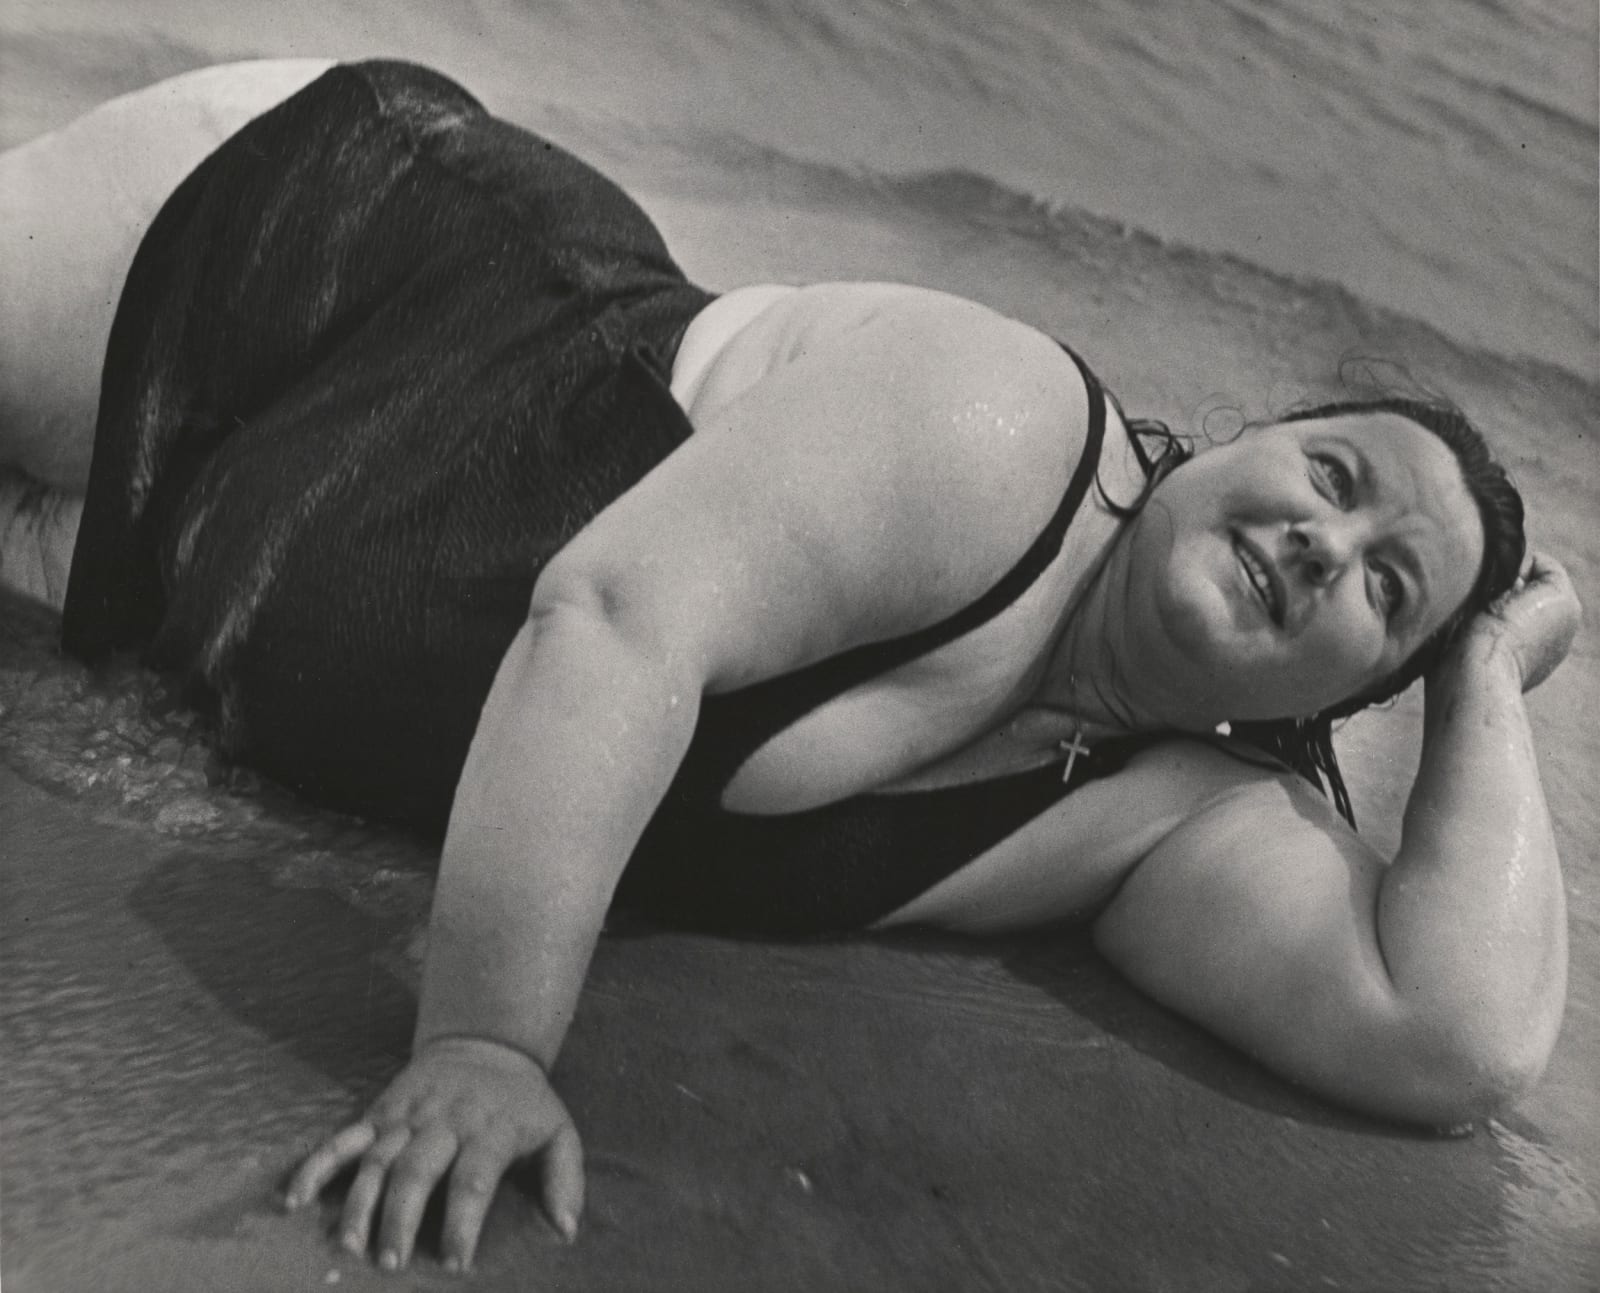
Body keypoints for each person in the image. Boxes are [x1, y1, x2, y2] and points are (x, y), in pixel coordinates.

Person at [0, 60, 1580, 1274]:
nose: (1323, 542)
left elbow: (1447, 1036)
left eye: (1389, 591)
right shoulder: (999, 429)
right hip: (301, 255)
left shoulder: (1149, 810)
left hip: (163, 583)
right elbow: (612, 623)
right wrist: (485, 1041)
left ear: (1341, 697)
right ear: (1237, 443)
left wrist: (1486, 678)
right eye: (1334, 474)